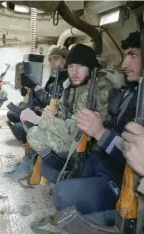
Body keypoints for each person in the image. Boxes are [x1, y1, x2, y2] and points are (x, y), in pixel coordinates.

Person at [52, 32, 144, 216]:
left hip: (123, 181)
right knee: (57, 171)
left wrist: (101, 133)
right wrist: (104, 123)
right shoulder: (130, 92)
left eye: (133, 55)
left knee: (61, 193)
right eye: (126, 55)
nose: (124, 64)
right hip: (103, 161)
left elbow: (142, 162)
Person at [21, 44, 113, 186]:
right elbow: (64, 115)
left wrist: (40, 120)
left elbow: (77, 130)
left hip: (88, 149)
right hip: (70, 139)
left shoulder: (99, 89)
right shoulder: (70, 86)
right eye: (70, 66)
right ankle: (60, 171)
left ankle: (67, 173)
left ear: (91, 67)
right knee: (33, 133)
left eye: (80, 66)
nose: (74, 72)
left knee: (35, 133)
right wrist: (53, 115)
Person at [7, 45, 68, 143]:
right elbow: (42, 97)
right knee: (11, 114)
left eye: (56, 59)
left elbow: (52, 101)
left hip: (52, 120)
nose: (52, 63)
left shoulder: (67, 80)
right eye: (50, 60)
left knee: (17, 129)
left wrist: (34, 86)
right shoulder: (54, 77)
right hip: (42, 112)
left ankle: (29, 130)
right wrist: (28, 89)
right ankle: (25, 123)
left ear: (66, 59)